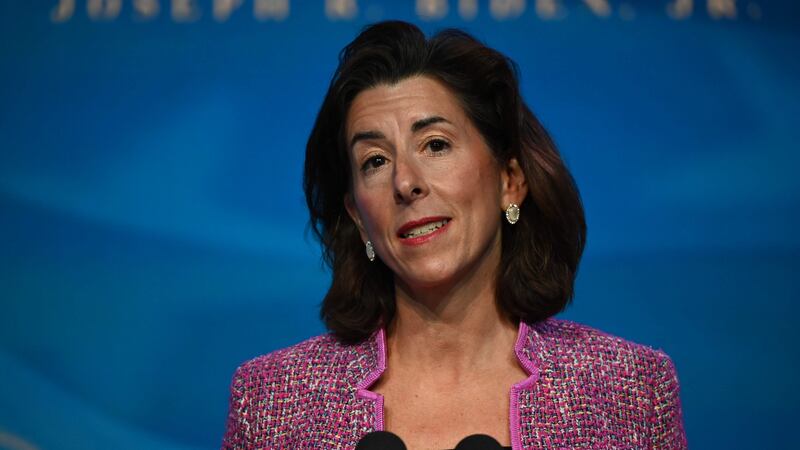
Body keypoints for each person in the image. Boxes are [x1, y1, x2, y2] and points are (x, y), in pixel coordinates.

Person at [222, 20, 686, 449]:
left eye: (435, 145)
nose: (406, 182)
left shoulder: (631, 392)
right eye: (375, 161)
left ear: (510, 181)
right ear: (358, 216)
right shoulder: (270, 404)